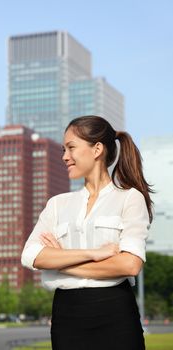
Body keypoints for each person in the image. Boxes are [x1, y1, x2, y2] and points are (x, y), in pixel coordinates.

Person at [21, 115, 153, 350]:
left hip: (116, 314)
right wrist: (94, 253)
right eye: (64, 149)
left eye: (71, 148)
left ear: (97, 149)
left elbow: (130, 265)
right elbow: (31, 256)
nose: (64, 156)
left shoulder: (129, 198)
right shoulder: (57, 204)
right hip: (66, 317)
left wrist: (61, 262)